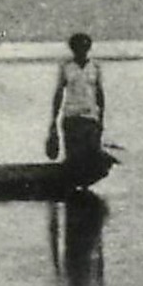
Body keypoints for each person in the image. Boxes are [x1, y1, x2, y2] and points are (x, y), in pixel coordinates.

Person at [48, 33, 107, 179]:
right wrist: (54, 121)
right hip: (72, 117)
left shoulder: (95, 67)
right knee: (74, 157)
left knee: (92, 155)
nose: (81, 50)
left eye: (84, 47)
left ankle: (82, 192)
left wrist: (101, 119)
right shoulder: (66, 67)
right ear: (73, 49)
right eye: (78, 47)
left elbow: (99, 93)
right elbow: (59, 93)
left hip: (90, 117)